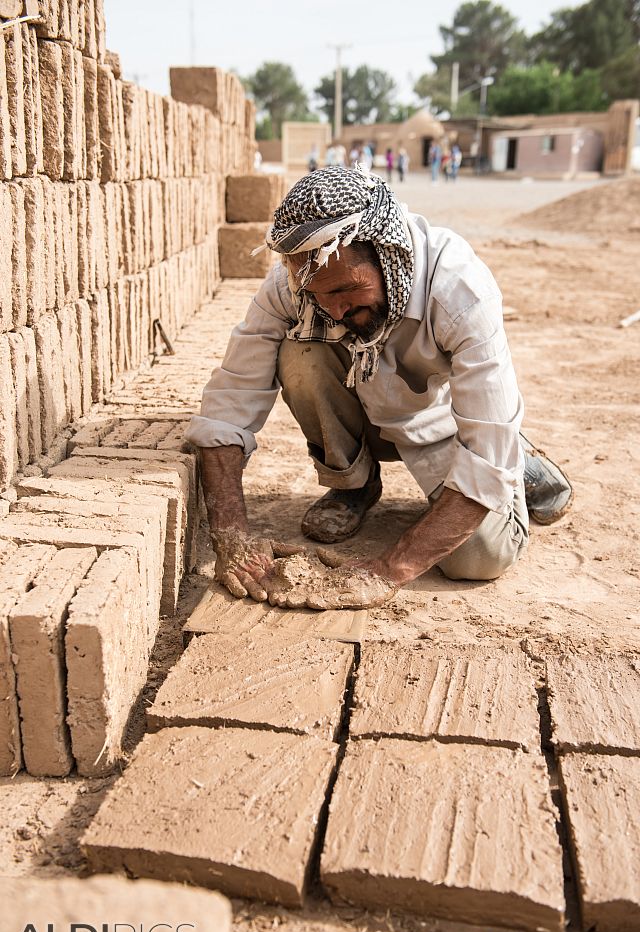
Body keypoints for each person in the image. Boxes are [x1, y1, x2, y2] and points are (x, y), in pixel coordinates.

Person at [186, 166, 572, 610]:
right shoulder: (297, 284)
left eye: (349, 289)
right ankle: (354, 485)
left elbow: (484, 462)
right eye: (319, 294)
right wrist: (231, 536)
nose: (334, 308)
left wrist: (387, 570)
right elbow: (226, 407)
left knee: (481, 557)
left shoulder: (460, 290)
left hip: (437, 419)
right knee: (300, 353)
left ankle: (514, 451)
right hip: (365, 412)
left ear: (388, 256)